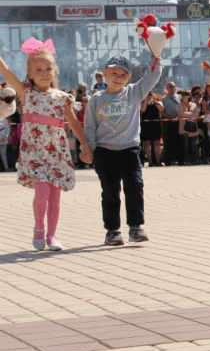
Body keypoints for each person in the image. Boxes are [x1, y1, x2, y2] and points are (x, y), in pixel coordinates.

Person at [0, 39, 92, 251]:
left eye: (48, 68)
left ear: (54, 71)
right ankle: (39, 229)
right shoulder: (27, 93)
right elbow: (4, 70)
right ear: (30, 74)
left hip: (57, 152)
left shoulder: (62, 98)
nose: (43, 72)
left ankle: (52, 235)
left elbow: (75, 123)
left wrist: (85, 144)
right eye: (38, 69)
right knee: (41, 190)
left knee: (55, 195)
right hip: (34, 152)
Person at [84, 54, 162, 245]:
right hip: (104, 152)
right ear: (105, 74)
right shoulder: (96, 99)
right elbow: (89, 127)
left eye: (123, 74)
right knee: (110, 191)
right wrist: (90, 149)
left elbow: (152, 76)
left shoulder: (134, 92)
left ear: (129, 77)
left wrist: (156, 59)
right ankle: (112, 231)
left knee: (135, 187)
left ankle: (135, 228)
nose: (118, 77)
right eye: (114, 73)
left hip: (130, 150)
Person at [160, 81, 182, 165]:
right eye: (170, 86)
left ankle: (179, 160)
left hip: (179, 122)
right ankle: (168, 160)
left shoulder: (180, 97)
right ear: (167, 88)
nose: (172, 88)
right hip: (168, 123)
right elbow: (162, 112)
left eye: (173, 86)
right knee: (168, 142)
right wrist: (170, 118)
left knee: (179, 142)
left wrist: (178, 117)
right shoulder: (163, 99)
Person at [140, 91, 163, 167]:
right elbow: (142, 110)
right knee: (147, 143)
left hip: (155, 124)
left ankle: (158, 161)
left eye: (151, 94)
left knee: (157, 143)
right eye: (148, 94)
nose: (149, 96)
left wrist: (155, 102)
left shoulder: (157, 101)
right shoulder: (143, 101)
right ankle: (150, 161)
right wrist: (146, 100)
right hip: (146, 124)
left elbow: (162, 108)